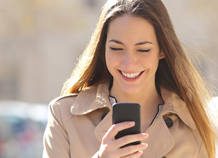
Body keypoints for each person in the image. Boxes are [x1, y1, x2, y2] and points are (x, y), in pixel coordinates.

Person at [43, 0, 217, 157]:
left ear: (162, 50)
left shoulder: (193, 127)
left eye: (143, 50)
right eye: (116, 48)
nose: (129, 63)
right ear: (103, 49)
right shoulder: (64, 116)